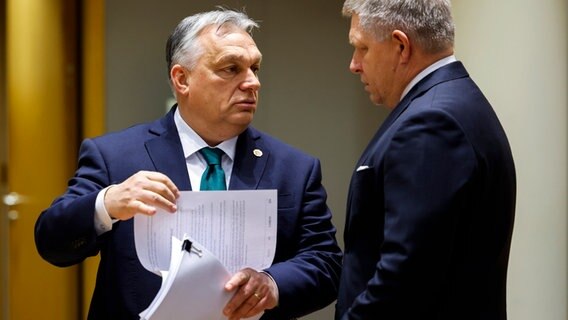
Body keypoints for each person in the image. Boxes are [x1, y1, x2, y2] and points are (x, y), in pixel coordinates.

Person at [35, 8, 342, 320]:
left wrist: (272, 285)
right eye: (231, 69)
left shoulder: (294, 168)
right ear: (181, 79)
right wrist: (107, 204)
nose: (252, 83)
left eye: (255, 68)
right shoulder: (115, 156)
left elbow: (326, 262)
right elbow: (51, 241)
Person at [335, 1, 516, 319]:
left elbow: (403, 281)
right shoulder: (457, 101)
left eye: (361, 48)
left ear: (400, 46)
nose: (354, 64)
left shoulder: (431, 123)